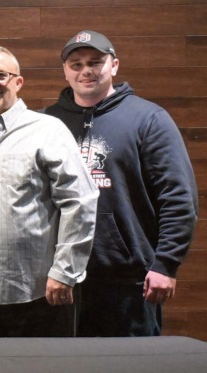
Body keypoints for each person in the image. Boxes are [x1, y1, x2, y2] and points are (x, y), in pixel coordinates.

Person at [42, 30, 198, 337]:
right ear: (65, 71)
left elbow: (178, 198)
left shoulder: (148, 119)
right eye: (76, 64)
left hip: (128, 281)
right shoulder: (47, 123)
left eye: (95, 62)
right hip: (60, 278)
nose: (85, 70)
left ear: (114, 66)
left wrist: (166, 264)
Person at [0, 46, 98, 337]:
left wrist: (65, 272)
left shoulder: (48, 131)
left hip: (42, 295)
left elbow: (81, 202)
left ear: (18, 82)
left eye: (1, 74)